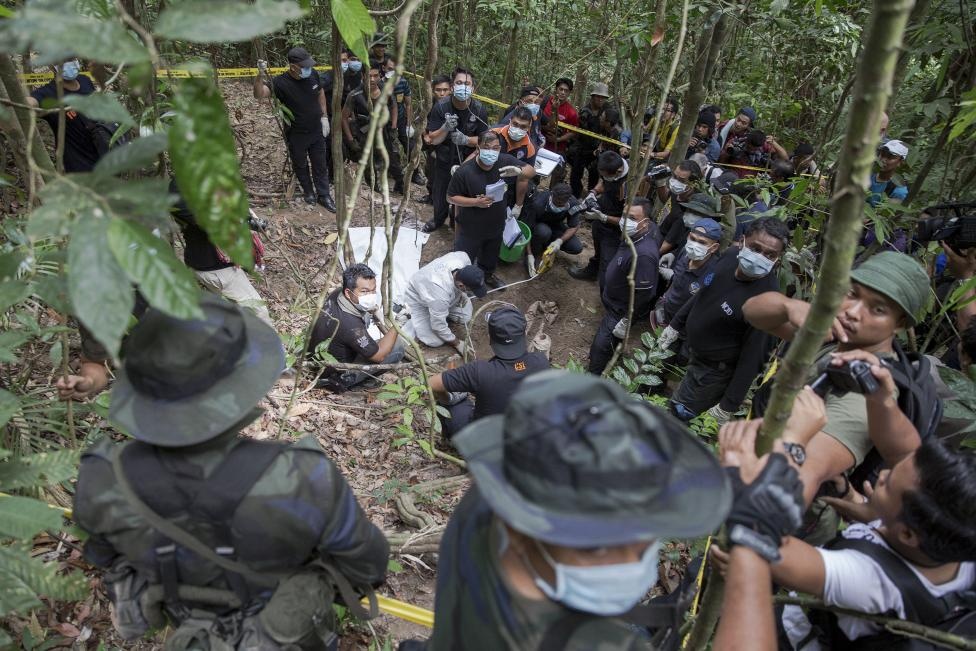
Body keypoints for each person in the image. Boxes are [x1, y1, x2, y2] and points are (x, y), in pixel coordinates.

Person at [73, 295, 389, 649]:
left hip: (192, 629)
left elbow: (107, 558)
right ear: (238, 390)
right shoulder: (302, 477)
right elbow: (368, 566)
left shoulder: (103, 478)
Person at [423, 370, 744, 650]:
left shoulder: (494, 496)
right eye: (598, 544)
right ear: (522, 532)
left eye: (644, 527)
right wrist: (752, 563)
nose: (635, 560)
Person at [713, 414, 976, 650]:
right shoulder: (956, 542)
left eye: (887, 485)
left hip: (791, 638)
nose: (882, 474)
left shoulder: (870, 584)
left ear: (907, 534)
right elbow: (902, 450)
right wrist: (858, 501)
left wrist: (790, 447)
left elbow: (762, 539)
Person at [742, 251, 932, 543]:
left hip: (788, 521)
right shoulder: (838, 336)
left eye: (877, 309)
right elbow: (753, 312)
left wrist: (750, 540)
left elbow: (807, 471)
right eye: (851, 294)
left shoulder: (865, 389)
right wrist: (790, 306)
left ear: (900, 324)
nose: (853, 312)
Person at [661, 216, 789, 422]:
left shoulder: (767, 304)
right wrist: (675, 324)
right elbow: (704, 292)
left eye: (770, 254)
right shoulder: (730, 257)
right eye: (756, 249)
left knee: (677, 417)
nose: (760, 257)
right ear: (744, 241)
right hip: (695, 352)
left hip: (712, 373)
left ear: (777, 259)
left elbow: (753, 359)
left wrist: (728, 404)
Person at [428, 306, 550, 436]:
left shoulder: (480, 371)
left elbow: (432, 383)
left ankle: (449, 440)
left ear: (490, 338)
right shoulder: (540, 362)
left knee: (454, 406)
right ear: (523, 335)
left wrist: (449, 398)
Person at [169, 184, 273, 327]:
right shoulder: (180, 189)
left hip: (210, 262)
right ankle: (267, 348)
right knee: (259, 314)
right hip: (215, 268)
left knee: (221, 319)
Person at [447, 131, 535, 289]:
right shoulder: (465, 171)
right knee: (462, 259)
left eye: (495, 148)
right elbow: (451, 197)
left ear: (500, 148)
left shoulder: (505, 161)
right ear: (478, 148)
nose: (491, 152)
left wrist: (519, 172)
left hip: (496, 224)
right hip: (470, 227)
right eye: (486, 148)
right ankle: (460, 283)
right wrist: (475, 202)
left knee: (490, 255)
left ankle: (487, 275)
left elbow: (531, 171)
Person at [253, 47, 336, 213]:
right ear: (293, 66)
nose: (308, 68)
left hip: (316, 130)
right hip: (296, 133)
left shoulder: (312, 74)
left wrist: (324, 116)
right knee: (300, 163)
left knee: (320, 164)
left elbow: (320, 93)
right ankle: (308, 191)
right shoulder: (280, 82)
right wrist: (259, 75)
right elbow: (260, 94)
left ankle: (324, 195)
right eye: (304, 66)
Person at [587, 198, 660, 375]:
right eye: (624, 215)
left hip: (620, 309)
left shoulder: (643, 255)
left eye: (633, 218)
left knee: (600, 347)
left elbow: (644, 293)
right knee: (609, 342)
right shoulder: (633, 235)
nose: (626, 221)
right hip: (614, 299)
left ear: (645, 223)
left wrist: (627, 319)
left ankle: (594, 376)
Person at [308, 263, 404, 391]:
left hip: (317, 358)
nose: (370, 295)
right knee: (397, 346)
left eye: (373, 290)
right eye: (364, 291)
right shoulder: (351, 326)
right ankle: (350, 382)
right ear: (348, 293)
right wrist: (397, 325)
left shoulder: (337, 294)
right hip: (332, 376)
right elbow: (379, 356)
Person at [422, 67, 491, 233]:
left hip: (469, 161)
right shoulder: (441, 107)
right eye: (459, 83)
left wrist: (467, 140)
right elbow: (433, 138)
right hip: (444, 158)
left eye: (467, 84)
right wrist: (445, 128)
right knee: (440, 194)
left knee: (465, 193)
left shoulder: (479, 109)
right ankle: (438, 220)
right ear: (452, 87)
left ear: (473, 88)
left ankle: (458, 221)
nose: (463, 87)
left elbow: (485, 141)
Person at [28, 58, 104, 173]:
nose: (69, 64)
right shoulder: (48, 93)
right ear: (52, 66)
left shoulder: (85, 80)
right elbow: (30, 102)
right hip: (77, 163)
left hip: (101, 151)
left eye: (71, 59)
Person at [402, 251, 488, 352]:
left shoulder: (463, 258)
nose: (471, 293)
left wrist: (461, 294)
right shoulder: (440, 293)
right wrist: (457, 343)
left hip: (439, 297)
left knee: (465, 316)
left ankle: (439, 313)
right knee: (435, 341)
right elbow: (438, 327)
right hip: (418, 299)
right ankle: (415, 315)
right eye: (470, 290)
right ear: (461, 285)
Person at [568, 150, 629, 286]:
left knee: (608, 259)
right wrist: (593, 192)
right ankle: (592, 271)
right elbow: (603, 181)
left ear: (619, 171)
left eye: (607, 176)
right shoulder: (610, 169)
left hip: (616, 228)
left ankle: (607, 289)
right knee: (598, 249)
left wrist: (604, 218)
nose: (604, 178)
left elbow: (630, 221)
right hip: (601, 214)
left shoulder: (631, 184)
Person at [342, 64, 404, 193]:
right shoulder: (354, 94)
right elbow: (343, 118)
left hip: (384, 131)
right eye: (369, 76)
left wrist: (393, 126)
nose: (372, 79)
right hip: (364, 133)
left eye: (375, 76)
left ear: (380, 76)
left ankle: (400, 183)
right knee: (367, 162)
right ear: (363, 76)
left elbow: (393, 107)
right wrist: (351, 140)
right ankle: (374, 187)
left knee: (392, 159)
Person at [655, 217, 723, 327]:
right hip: (665, 311)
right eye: (693, 238)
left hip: (683, 325)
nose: (694, 245)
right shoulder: (685, 252)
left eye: (702, 242)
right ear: (688, 236)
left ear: (714, 247)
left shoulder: (714, 273)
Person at [522, 183, 585, 276]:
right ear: (552, 194)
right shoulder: (538, 203)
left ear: (569, 199)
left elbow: (574, 226)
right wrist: (529, 254)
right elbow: (526, 228)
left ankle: (549, 245)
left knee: (576, 247)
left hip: (556, 226)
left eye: (562, 203)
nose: (559, 206)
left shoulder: (572, 203)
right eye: (557, 202)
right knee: (543, 232)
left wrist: (559, 241)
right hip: (538, 227)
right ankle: (535, 251)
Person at [568, 81, 611, 198]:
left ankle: (590, 197)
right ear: (593, 97)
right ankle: (575, 195)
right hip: (582, 147)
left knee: (594, 174)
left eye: (603, 98)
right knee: (576, 173)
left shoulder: (606, 110)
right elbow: (583, 133)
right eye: (598, 97)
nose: (600, 100)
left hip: (597, 150)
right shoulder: (585, 111)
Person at [419, 74, 454, 204]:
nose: (442, 93)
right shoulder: (429, 104)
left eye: (445, 90)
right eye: (438, 90)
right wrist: (425, 136)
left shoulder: (455, 104)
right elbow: (422, 121)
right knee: (431, 171)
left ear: (450, 90)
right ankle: (431, 195)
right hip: (433, 145)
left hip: (450, 146)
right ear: (433, 91)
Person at [660, 191, 721, 257]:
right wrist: (672, 254)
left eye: (698, 214)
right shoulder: (683, 223)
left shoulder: (712, 238)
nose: (691, 215)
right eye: (690, 211)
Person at [539, 77, 579, 157]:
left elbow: (573, 131)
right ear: (556, 89)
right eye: (561, 89)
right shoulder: (544, 101)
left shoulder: (572, 112)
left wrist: (558, 139)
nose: (563, 92)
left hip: (557, 149)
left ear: (569, 93)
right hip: (539, 144)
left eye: (566, 91)